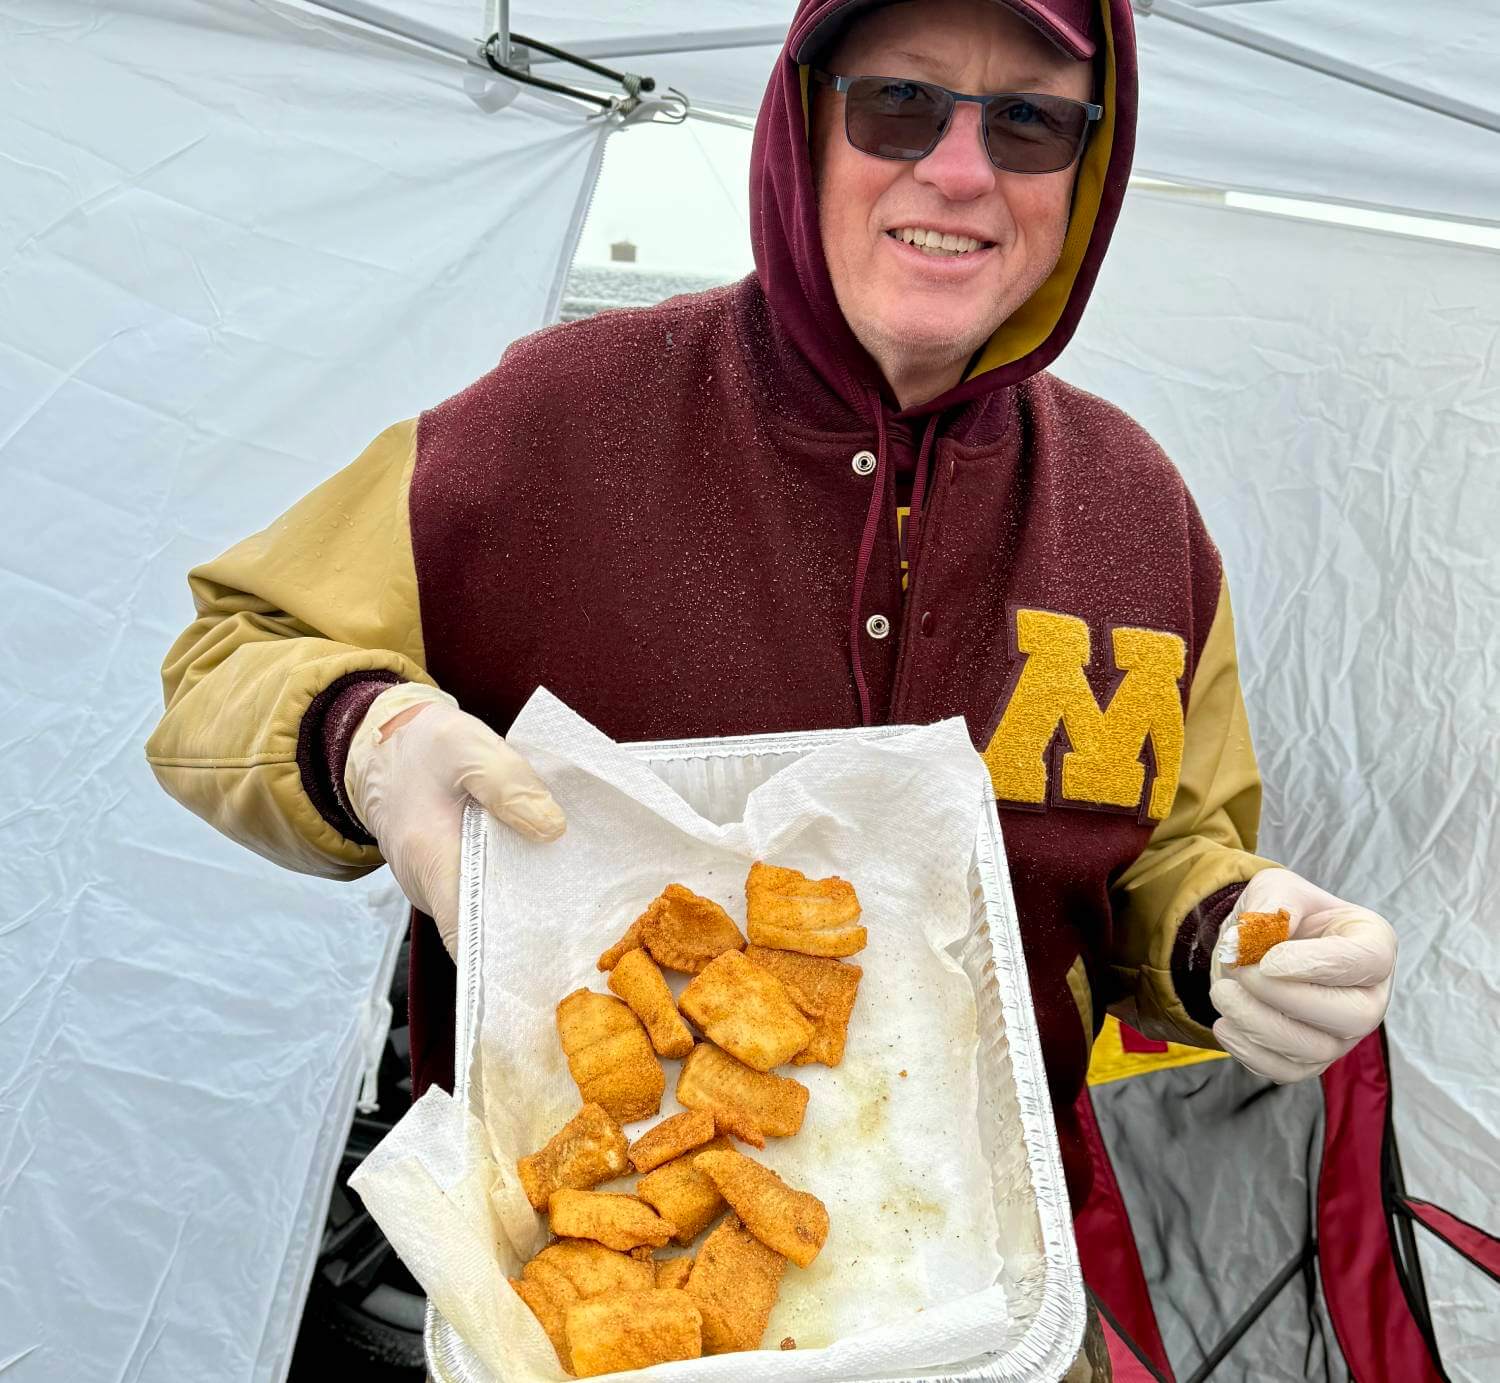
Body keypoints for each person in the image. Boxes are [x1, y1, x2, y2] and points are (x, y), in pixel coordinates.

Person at [148, 0, 1396, 1370]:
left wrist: (1231, 935)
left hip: (986, 1307)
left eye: (1031, 120)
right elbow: (233, 652)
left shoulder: (1133, 508)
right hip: (608, 1318)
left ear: (1087, 173)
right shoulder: (556, 422)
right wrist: (368, 741)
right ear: (802, 124)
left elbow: (1163, 856)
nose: (962, 170)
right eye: (900, 103)